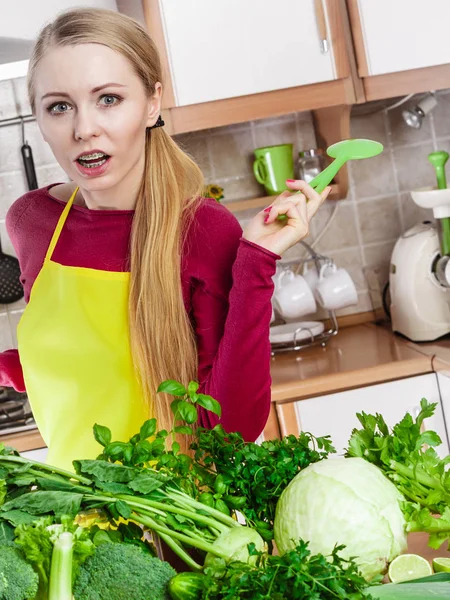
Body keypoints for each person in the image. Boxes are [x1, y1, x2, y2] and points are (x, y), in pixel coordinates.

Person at [0, 8, 330, 470]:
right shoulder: (33, 222)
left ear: (152, 102)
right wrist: (11, 366)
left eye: (109, 99)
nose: (83, 128)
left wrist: (256, 261)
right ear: (37, 116)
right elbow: (84, 360)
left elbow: (233, 427)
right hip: (70, 522)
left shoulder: (202, 231)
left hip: (173, 530)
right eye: (60, 106)